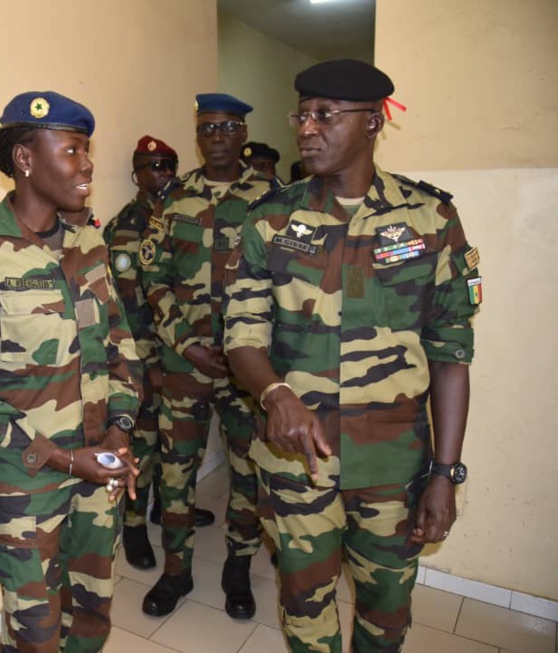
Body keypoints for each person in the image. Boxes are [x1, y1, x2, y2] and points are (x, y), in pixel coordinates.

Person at [223, 58, 481, 652]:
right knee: (305, 613)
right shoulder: (269, 219)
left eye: (326, 116)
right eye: (302, 115)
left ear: (373, 122)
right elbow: (242, 335)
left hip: (395, 464)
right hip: (297, 463)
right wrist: (275, 392)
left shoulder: (431, 218)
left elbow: (451, 355)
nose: (307, 129)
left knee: (387, 616)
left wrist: (445, 475)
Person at [0, 91, 142, 652]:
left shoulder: (88, 238)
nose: (87, 164)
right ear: (25, 158)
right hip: (28, 479)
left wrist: (119, 431)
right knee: (35, 632)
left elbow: (120, 347)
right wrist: (64, 459)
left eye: (87, 149)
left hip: (101, 468)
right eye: (71, 150)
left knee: (91, 616)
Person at [139, 93, 274, 619]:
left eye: (226, 127)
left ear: (242, 133)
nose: (216, 136)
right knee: (176, 470)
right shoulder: (174, 199)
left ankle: (238, 568)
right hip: (185, 362)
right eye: (206, 128)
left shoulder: (272, 197)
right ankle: (177, 573)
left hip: (250, 367)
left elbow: (286, 281)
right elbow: (155, 277)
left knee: (248, 469)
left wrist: (252, 352)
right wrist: (187, 343)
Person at [102, 135, 178, 570]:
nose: (161, 174)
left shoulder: (185, 219)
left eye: (168, 165)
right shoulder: (122, 228)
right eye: (151, 166)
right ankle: (133, 527)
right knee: (144, 445)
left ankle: (165, 511)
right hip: (146, 360)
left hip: (183, 358)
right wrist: (144, 365)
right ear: (136, 172)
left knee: (176, 443)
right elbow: (124, 307)